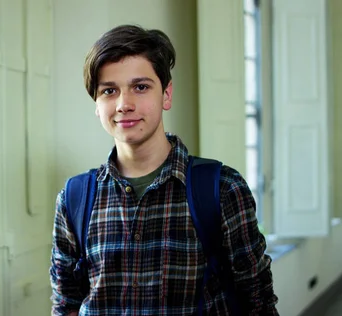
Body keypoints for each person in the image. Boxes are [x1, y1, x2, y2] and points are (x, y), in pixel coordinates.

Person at [49, 24, 278, 316]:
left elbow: (257, 300)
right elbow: (66, 303)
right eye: (109, 91)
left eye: (140, 87)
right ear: (97, 104)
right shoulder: (74, 198)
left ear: (166, 95)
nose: (124, 104)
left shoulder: (221, 188)